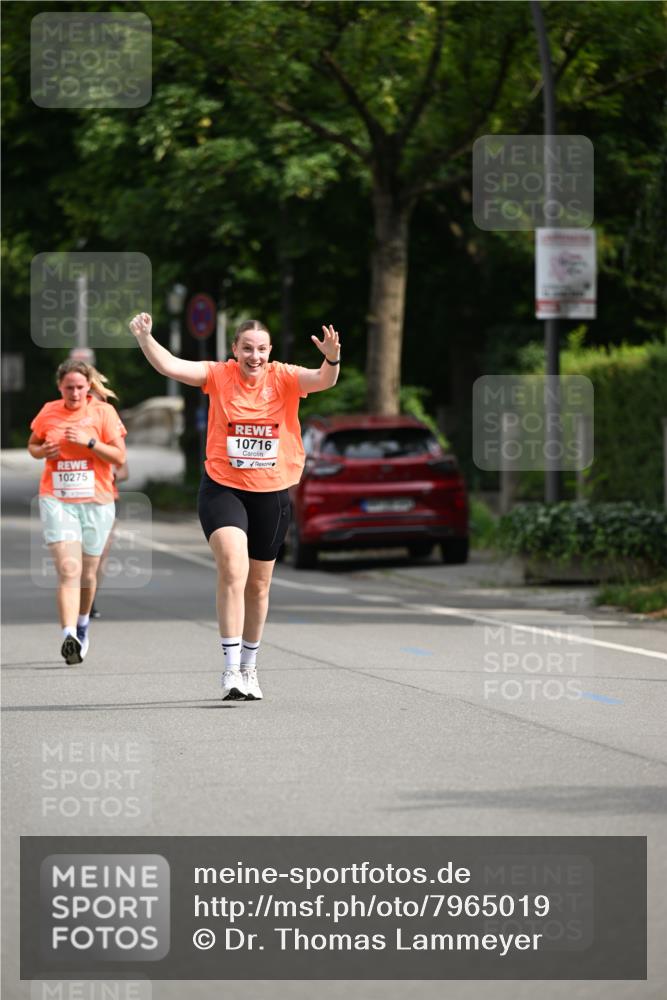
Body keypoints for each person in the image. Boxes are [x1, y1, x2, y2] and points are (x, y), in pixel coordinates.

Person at [129, 312, 340, 701]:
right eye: (247, 348)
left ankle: (249, 667)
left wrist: (331, 358)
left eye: (261, 349)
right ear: (235, 350)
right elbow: (172, 366)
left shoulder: (285, 377)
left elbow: (324, 380)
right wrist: (146, 338)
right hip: (223, 488)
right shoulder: (218, 375)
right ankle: (229, 671)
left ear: (270, 351)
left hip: (272, 491)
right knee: (233, 567)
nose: (254, 356)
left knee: (258, 586)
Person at [28, 360, 127, 664]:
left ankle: (82, 625)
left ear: (88, 387)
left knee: (87, 573)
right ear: (60, 387)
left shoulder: (103, 412)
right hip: (57, 499)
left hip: (97, 501)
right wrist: (42, 452)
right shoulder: (49, 411)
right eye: (68, 387)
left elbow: (119, 457)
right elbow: (33, 444)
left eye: (80, 387)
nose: (74, 393)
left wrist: (91, 442)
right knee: (68, 570)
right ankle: (68, 635)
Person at [87, 369, 130, 619]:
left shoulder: (109, 425)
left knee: (100, 554)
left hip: (106, 496)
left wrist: (109, 475)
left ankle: (90, 599)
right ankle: (77, 598)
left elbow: (124, 469)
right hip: (73, 498)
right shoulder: (67, 421)